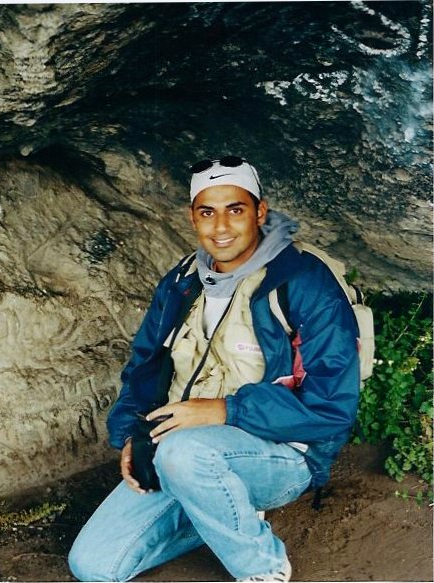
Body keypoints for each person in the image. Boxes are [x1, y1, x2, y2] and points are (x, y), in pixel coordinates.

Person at [68, 157, 360, 582]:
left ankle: (263, 567)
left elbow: (332, 407)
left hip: (283, 456)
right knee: (94, 566)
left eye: (235, 209)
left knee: (185, 453)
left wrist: (224, 410)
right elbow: (143, 368)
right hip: (181, 452)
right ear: (192, 217)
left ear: (260, 212)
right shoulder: (182, 281)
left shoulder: (302, 282)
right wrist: (133, 434)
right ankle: (222, 513)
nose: (221, 227)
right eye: (207, 212)